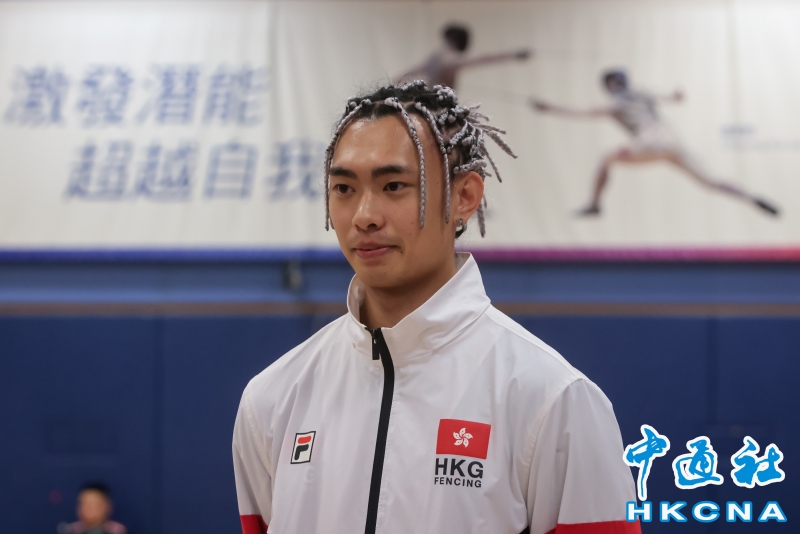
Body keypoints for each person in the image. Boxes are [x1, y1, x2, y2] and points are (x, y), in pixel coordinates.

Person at [233, 80, 639, 534]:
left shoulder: (552, 399)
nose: (364, 215)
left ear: (464, 197)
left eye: (393, 185)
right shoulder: (272, 397)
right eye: (344, 188)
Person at [531, 69, 780, 217]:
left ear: (609, 84)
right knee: (710, 181)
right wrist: (677, 95)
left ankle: (594, 205)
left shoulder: (616, 102)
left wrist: (548, 108)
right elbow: (673, 98)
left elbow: (581, 113)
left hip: (649, 144)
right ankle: (750, 197)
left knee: (606, 158)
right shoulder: (641, 94)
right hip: (673, 145)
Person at [396, 24, 530, 90]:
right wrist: (514, 55)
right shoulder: (444, 57)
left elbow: (411, 72)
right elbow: (483, 59)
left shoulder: (442, 57)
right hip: (438, 111)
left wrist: (514, 55)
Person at [57, 482, 126, 534]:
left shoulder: (118, 531)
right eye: (84, 504)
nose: (88, 509)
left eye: (93, 504)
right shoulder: (70, 531)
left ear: (108, 506)